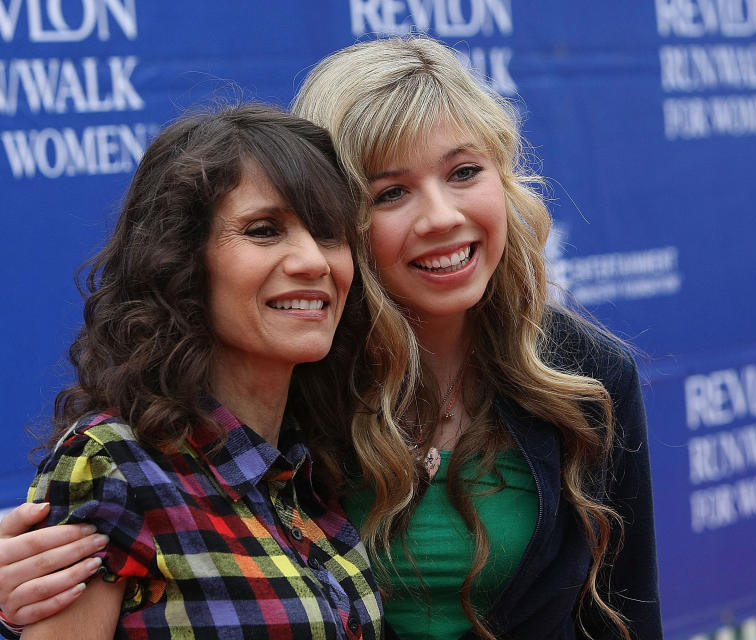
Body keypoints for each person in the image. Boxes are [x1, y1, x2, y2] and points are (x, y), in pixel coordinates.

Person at [0, 36, 661, 640]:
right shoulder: (293, 382)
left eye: (465, 173)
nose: (442, 217)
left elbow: (628, 613)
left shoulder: (587, 376)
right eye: (391, 192)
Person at [3, 105, 382, 639]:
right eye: (264, 230)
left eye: (329, 234)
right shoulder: (114, 470)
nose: (313, 262)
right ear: (181, 258)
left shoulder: (314, 471)